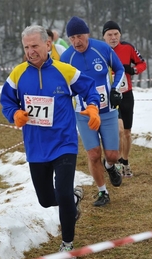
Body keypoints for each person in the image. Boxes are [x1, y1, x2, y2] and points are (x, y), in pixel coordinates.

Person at [0, 25, 101, 259]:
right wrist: (14, 114)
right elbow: (6, 102)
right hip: (36, 146)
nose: (30, 51)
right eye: (26, 47)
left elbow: (89, 88)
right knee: (46, 199)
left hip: (64, 143)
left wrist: (94, 106)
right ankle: (71, 199)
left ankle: (67, 246)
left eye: (35, 46)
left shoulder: (65, 71)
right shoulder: (17, 74)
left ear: (48, 44)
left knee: (63, 193)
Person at [60, 17, 124, 208]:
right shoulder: (66, 58)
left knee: (112, 155)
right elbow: (64, 86)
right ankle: (102, 192)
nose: (76, 41)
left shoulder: (102, 48)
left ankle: (110, 166)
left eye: (79, 36)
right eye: (72, 38)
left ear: (87, 34)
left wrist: (114, 90)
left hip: (107, 111)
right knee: (94, 154)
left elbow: (119, 69)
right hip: (84, 113)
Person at [102, 21, 147, 178]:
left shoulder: (128, 48)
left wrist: (132, 69)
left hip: (126, 94)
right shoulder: (100, 50)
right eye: (110, 35)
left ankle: (125, 162)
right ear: (104, 37)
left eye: (116, 34)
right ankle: (117, 164)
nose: (113, 38)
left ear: (120, 35)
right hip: (110, 96)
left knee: (127, 132)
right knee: (119, 130)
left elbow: (142, 64)